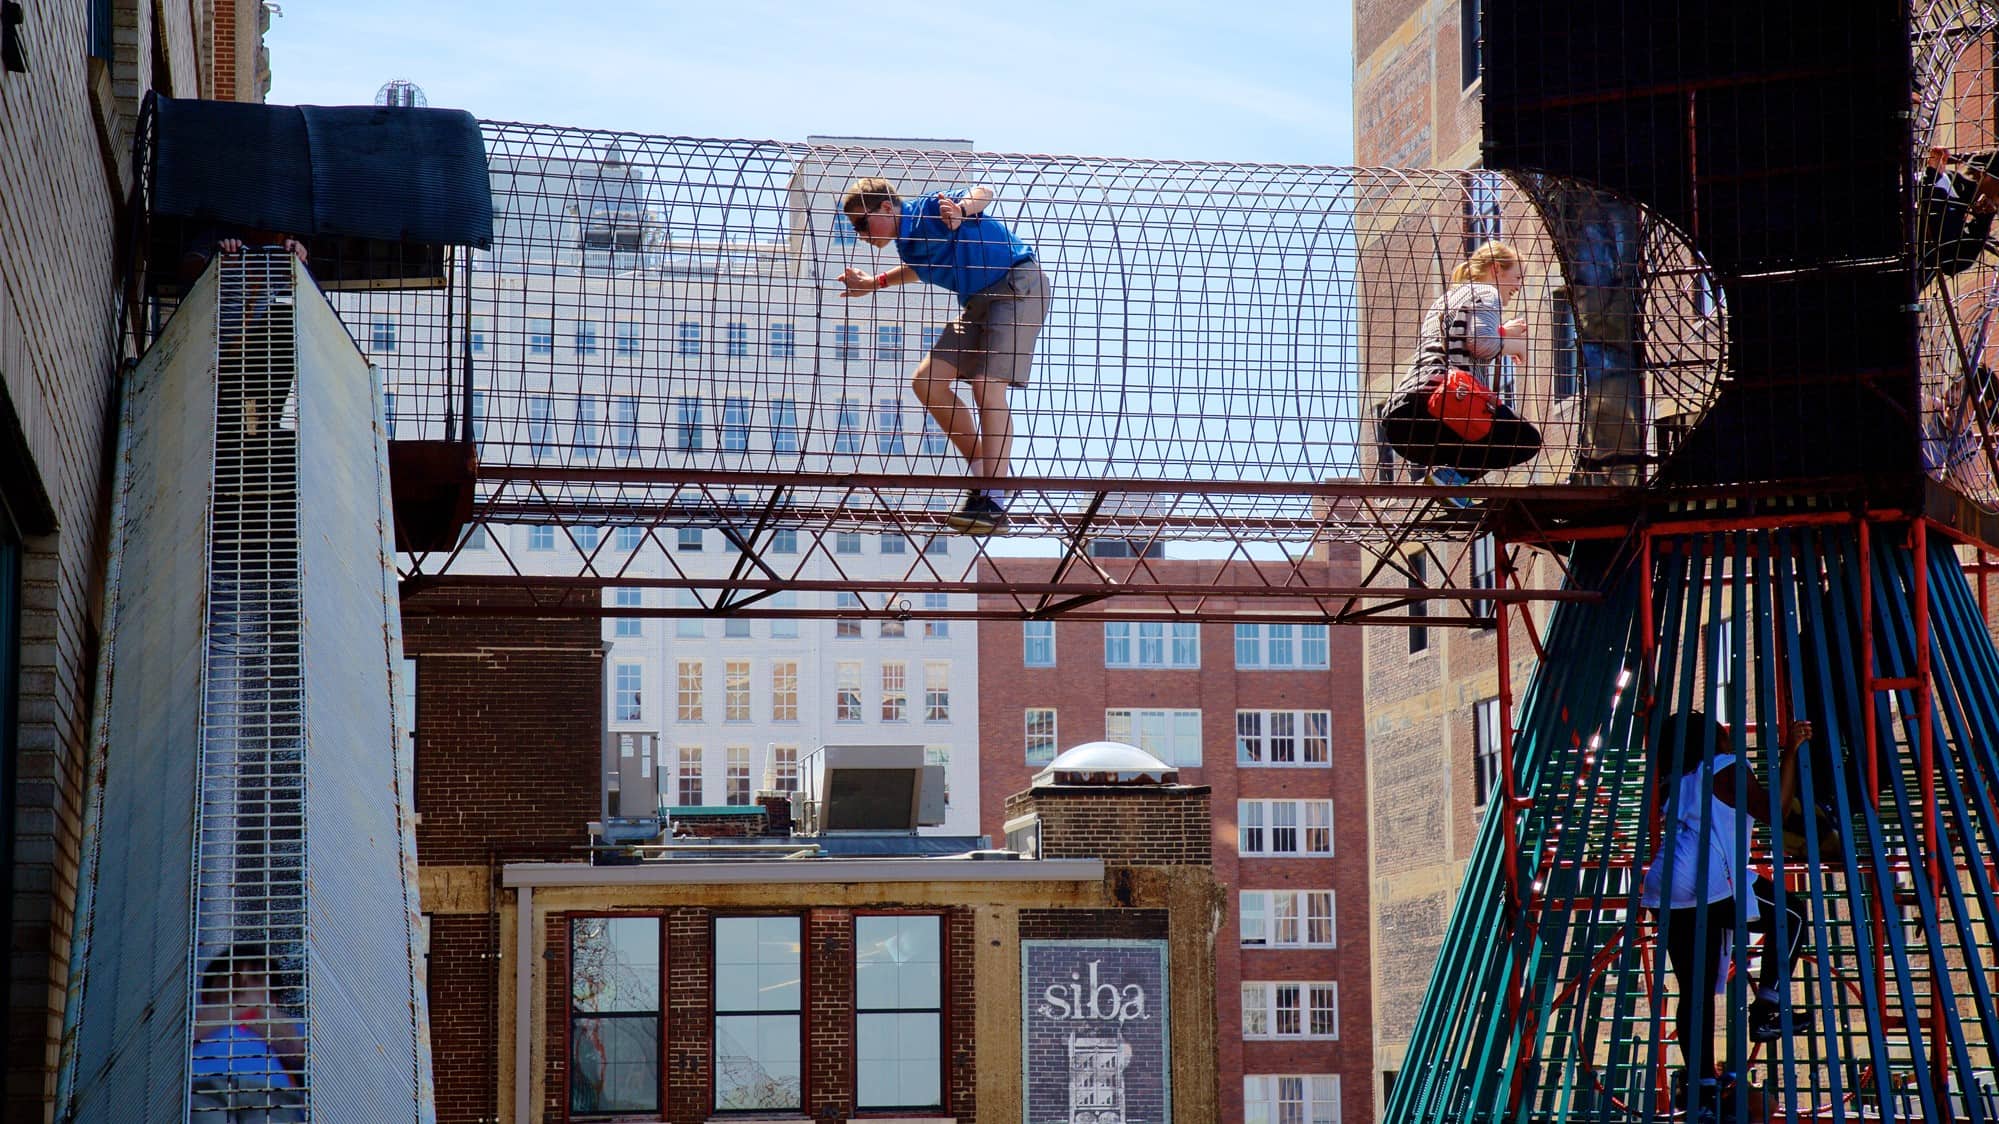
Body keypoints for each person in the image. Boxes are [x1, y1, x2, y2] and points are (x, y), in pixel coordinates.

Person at [1639, 711, 1823, 1121]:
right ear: (1715, 738)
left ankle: (1703, 1085)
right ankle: (1769, 1007)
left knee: (1694, 988)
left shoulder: (1676, 777)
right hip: (1709, 877)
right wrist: (1790, 751)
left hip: (1668, 881)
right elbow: (1774, 808)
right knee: (1791, 914)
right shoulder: (1724, 767)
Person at [839, 177, 1050, 534]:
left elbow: (984, 192)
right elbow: (921, 271)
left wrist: (962, 210)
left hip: (1016, 286)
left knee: (986, 385)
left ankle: (993, 500)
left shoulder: (928, 210)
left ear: (887, 208)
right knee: (927, 382)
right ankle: (985, 471)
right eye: (855, 228)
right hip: (976, 304)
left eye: (862, 223)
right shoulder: (908, 246)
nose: (860, 233)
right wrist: (873, 284)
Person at [1379, 241, 1543, 505]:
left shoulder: (1444, 299)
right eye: (1518, 276)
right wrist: (1512, 344)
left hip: (1403, 417)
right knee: (1523, 438)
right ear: (1497, 269)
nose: (1518, 286)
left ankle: (1449, 480)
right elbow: (1479, 342)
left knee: (1482, 443)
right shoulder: (1487, 293)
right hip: (1439, 405)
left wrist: (1501, 332)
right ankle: (1450, 481)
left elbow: (1455, 339)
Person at [190, 943, 306, 1121]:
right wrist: (244, 1006)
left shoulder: (291, 1024)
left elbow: (298, 1052)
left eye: (256, 978)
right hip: (204, 1088)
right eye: (229, 976)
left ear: (273, 998)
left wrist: (257, 1011)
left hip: (272, 1094)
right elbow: (183, 1042)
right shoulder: (194, 1019)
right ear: (206, 995)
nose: (242, 983)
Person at [1918, 146, 1999, 288]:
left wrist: (1983, 220)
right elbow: (1943, 241)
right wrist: (1932, 175)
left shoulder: (1959, 204)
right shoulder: (1939, 182)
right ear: (1982, 173)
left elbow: (1955, 263)